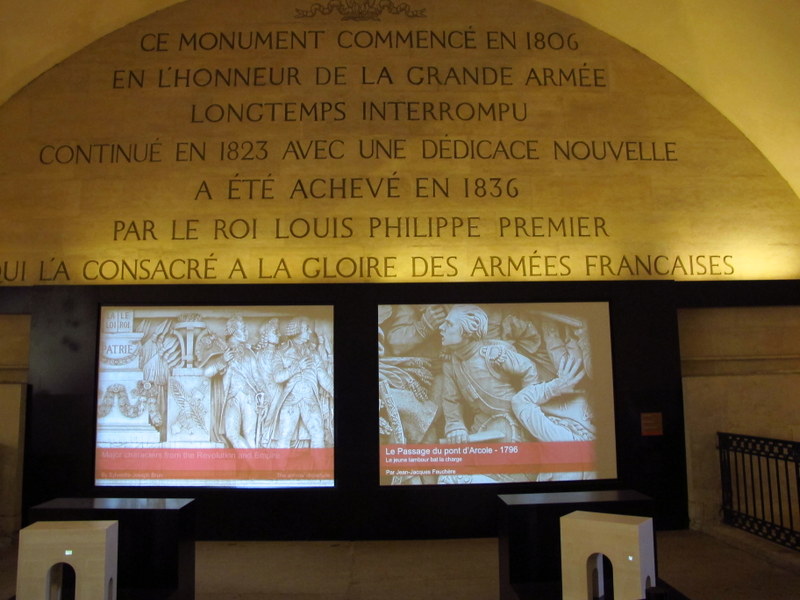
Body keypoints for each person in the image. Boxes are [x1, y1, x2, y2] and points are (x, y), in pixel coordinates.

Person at [204, 315, 268, 449]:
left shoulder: (249, 353)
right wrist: (222, 360)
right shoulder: (223, 351)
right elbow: (207, 373)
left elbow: (257, 377)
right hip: (232, 399)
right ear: (233, 331)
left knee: (251, 436)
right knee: (231, 434)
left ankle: (254, 468)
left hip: (249, 398)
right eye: (243, 329)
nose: (246, 332)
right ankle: (257, 466)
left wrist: (263, 394)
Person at [267, 318, 333, 448]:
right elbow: (277, 377)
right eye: (306, 329)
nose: (309, 332)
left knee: (318, 435)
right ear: (297, 331)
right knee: (284, 436)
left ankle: (320, 469)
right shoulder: (281, 352)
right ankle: (280, 469)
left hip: (310, 400)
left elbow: (324, 379)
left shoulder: (313, 354)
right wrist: (297, 367)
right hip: (291, 400)